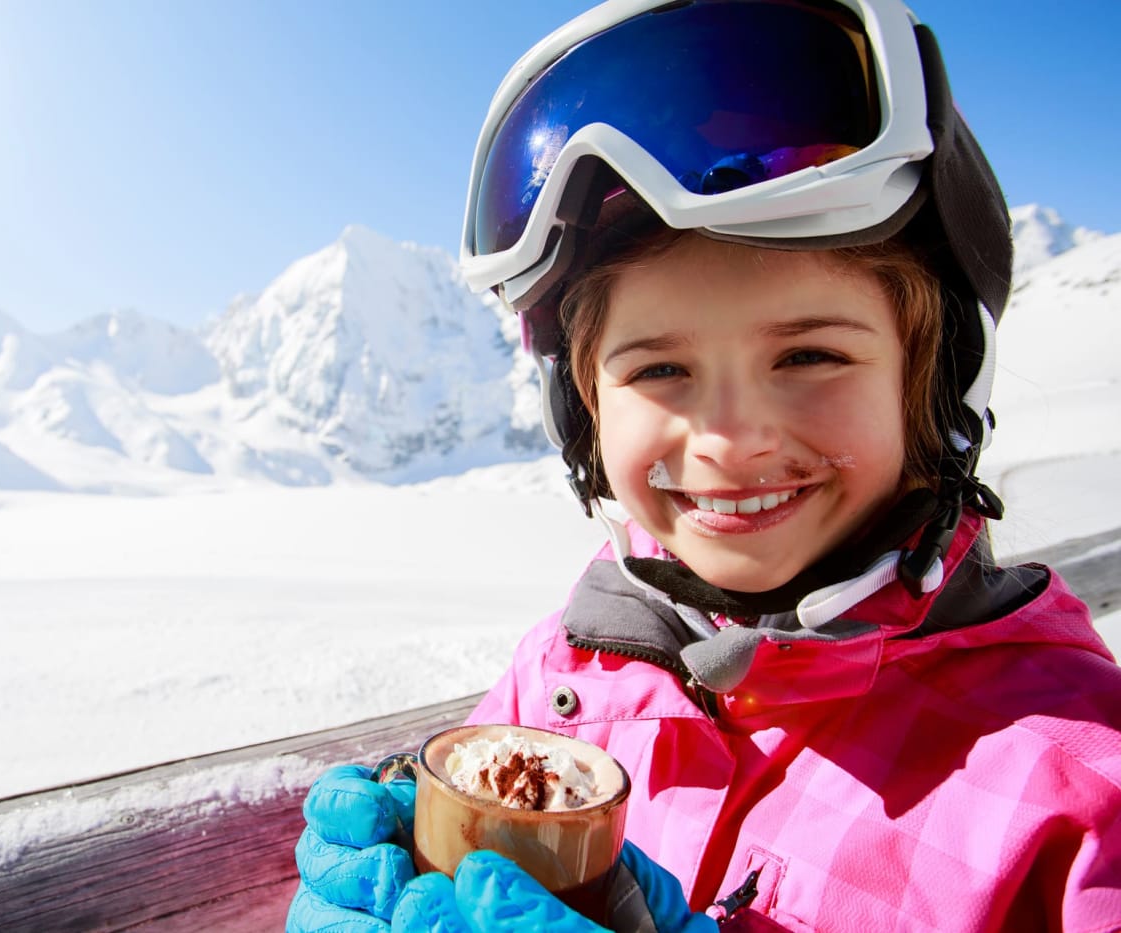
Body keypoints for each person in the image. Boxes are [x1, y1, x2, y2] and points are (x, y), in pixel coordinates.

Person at [287, 0, 1121, 929]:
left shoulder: (1078, 802)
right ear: (583, 411)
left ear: (934, 382)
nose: (727, 441)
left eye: (809, 356)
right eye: (661, 370)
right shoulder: (559, 681)